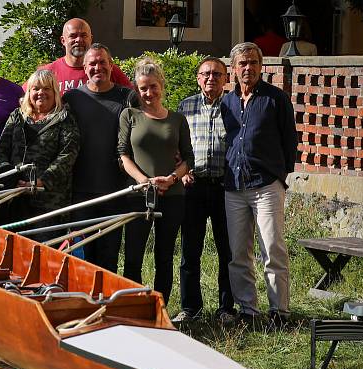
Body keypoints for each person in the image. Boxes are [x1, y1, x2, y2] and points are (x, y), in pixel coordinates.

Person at [221, 42, 297, 327]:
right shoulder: (227, 102)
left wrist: (281, 175)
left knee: (272, 248)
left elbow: (290, 140)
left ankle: (280, 312)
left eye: (253, 62)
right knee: (239, 252)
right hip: (234, 187)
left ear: (261, 66)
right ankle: (248, 310)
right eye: (242, 63)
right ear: (234, 68)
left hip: (266, 185)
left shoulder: (275, 99)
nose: (248, 68)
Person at [118, 59, 193, 301]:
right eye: (143, 88)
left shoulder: (177, 120)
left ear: (161, 85)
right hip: (138, 196)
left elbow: (188, 159)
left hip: (171, 196)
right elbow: (122, 154)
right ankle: (134, 304)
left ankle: (161, 307)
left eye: (153, 86)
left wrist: (172, 179)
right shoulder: (129, 115)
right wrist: (144, 181)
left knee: (164, 255)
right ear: (136, 90)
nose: (148, 93)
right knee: (133, 256)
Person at [63, 43, 137, 272]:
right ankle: (85, 303)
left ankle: (107, 303)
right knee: (83, 255)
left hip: (115, 189)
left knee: (109, 253)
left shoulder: (127, 97)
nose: (98, 67)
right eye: (92, 63)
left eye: (102, 62)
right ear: (84, 68)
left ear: (111, 65)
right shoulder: (72, 98)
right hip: (80, 191)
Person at [175, 57, 235, 325]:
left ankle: (226, 309)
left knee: (228, 251)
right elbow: (176, 148)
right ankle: (191, 309)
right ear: (198, 78)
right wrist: (183, 172)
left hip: (225, 187)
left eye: (217, 74)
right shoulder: (185, 106)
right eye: (206, 74)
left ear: (225, 78)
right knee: (190, 251)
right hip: (194, 187)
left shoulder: (234, 106)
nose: (211, 78)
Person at [0, 69, 80, 235]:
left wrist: (40, 182)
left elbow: (67, 156)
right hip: (15, 198)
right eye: (36, 88)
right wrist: (9, 176)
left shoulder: (65, 118)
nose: (41, 93)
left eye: (47, 88)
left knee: (44, 254)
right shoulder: (17, 116)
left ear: (55, 92)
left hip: (48, 202)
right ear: (29, 92)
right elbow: (2, 149)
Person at [35, 18, 132, 95]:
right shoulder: (48, 72)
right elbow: (26, 98)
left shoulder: (107, 70)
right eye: (73, 36)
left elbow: (135, 98)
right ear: (63, 40)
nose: (79, 40)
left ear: (91, 39)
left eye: (83, 35)